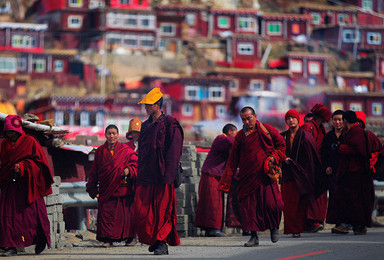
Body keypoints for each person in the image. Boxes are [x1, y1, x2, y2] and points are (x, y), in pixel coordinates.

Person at [218, 107, 286, 247]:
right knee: (250, 208)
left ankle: (274, 227)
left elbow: (281, 145)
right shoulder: (241, 136)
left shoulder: (267, 130)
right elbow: (233, 159)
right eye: (243, 119)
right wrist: (226, 181)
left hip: (266, 176)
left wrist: (274, 157)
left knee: (273, 204)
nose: (247, 121)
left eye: (249, 118)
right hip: (248, 177)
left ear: (255, 116)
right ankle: (254, 236)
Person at [133, 88, 184, 255]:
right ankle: (154, 239)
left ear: (158, 105)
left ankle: (162, 242)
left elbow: (175, 151)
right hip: (147, 175)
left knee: (162, 210)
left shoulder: (170, 123)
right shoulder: (146, 126)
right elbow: (142, 152)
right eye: (145, 105)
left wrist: (168, 176)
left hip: (163, 176)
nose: (146, 107)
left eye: (149, 104)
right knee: (144, 211)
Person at [0, 115, 53, 256]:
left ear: (17, 130)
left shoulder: (30, 141)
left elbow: (39, 164)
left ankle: (39, 240)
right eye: (7, 132)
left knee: (32, 218)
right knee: (7, 217)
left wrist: (23, 166)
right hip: (9, 186)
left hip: (29, 187)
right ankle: (9, 246)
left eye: (12, 131)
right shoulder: (3, 144)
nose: (10, 134)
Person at [86, 125, 138, 247]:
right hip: (106, 189)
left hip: (122, 188)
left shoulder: (125, 150)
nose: (111, 136)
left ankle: (130, 238)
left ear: (117, 135)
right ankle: (107, 239)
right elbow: (94, 171)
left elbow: (135, 163)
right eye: (109, 133)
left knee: (125, 215)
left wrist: (129, 170)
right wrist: (92, 187)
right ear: (105, 135)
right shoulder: (99, 151)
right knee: (107, 215)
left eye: (114, 133)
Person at [327, 110, 374, 235]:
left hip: (355, 172)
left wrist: (340, 148)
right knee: (348, 200)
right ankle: (351, 225)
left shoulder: (356, 132)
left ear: (346, 121)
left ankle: (352, 225)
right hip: (350, 172)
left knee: (353, 200)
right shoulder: (351, 132)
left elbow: (358, 150)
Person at [280, 110, 323, 238]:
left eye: (293, 118)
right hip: (288, 174)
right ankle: (293, 228)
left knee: (300, 203)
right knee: (288, 204)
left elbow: (311, 156)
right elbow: (277, 150)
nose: (291, 120)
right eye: (288, 118)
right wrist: (283, 158)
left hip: (303, 174)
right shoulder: (283, 136)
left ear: (298, 120)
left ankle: (299, 228)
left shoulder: (305, 136)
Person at [194, 123, 238, 237]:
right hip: (211, 174)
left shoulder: (225, 142)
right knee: (213, 203)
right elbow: (232, 142)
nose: (236, 136)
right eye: (235, 133)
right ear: (230, 132)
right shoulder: (221, 138)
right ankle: (213, 228)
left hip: (215, 175)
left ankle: (212, 228)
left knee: (215, 202)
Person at [301, 103, 332, 232]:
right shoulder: (308, 126)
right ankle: (311, 221)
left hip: (320, 165)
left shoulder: (320, 128)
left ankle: (317, 220)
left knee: (320, 194)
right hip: (309, 165)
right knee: (312, 194)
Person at [321, 110, 347, 234]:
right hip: (332, 172)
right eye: (335, 119)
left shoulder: (348, 135)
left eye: (340, 119)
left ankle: (346, 222)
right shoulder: (328, 137)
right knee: (334, 197)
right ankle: (338, 223)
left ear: (344, 121)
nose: (337, 122)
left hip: (345, 172)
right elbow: (323, 154)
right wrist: (326, 166)